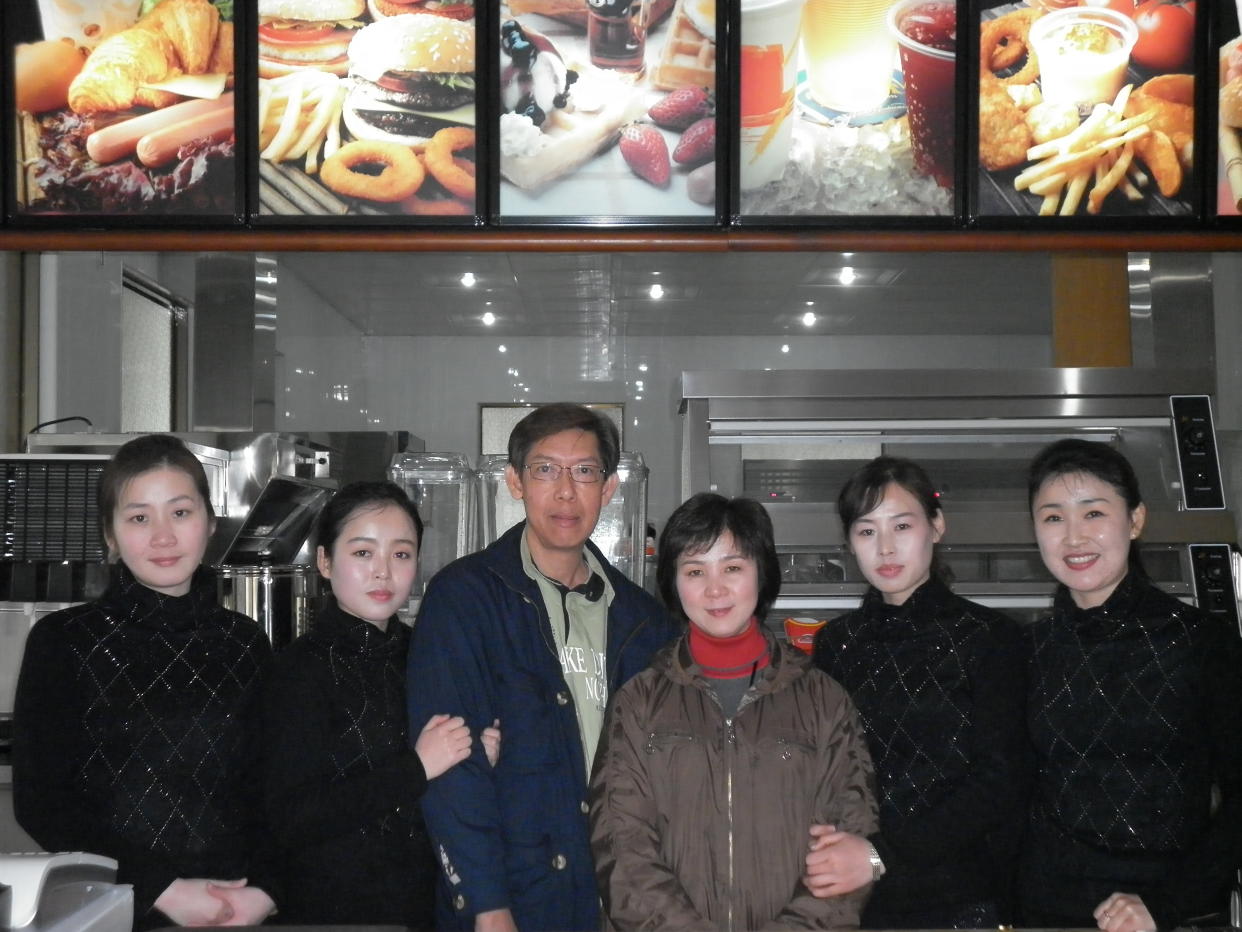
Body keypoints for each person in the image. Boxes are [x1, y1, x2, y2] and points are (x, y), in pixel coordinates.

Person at [407, 403, 678, 932]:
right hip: (518, 895)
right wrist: (486, 904)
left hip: (623, 896)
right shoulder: (465, 599)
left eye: (584, 471)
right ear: (514, 481)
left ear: (609, 488)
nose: (565, 490)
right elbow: (453, 765)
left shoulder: (642, 619)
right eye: (545, 469)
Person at [12, 434, 276, 929]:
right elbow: (42, 801)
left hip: (235, 909)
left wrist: (265, 891)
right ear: (110, 536)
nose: (163, 536)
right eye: (139, 518)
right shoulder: (62, 641)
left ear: (210, 523)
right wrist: (158, 889)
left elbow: (271, 790)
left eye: (180, 513)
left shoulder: (245, 642)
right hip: (110, 908)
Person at [590, 493, 879, 930]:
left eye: (732, 567)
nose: (715, 589)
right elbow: (622, 850)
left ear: (761, 573)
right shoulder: (638, 702)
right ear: (673, 584)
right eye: (694, 571)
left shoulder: (825, 701)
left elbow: (846, 853)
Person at [1019, 438, 1242, 932]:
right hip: (1045, 910)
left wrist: (1166, 903)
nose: (1074, 538)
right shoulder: (1028, 649)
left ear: (1135, 520)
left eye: (1093, 513)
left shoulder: (1201, 643)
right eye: (1053, 518)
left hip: (1166, 913)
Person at [257, 481, 500, 927]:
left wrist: (477, 757)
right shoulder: (297, 671)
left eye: (401, 554)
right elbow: (292, 819)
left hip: (431, 902)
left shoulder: (429, 653)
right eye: (363, 553)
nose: (383, 572)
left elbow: (448, 773)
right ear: (325, 562)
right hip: (335, 910)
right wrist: (417, 767)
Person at [808, 455, 1028, 928]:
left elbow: (1000, 781)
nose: (885, 548)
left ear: (937, 526)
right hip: (855, 901)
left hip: (960, 899)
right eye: (867, 531)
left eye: (901, 526)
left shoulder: (989, 638)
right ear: (849, 542)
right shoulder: (835, 644)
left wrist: (878, 853)